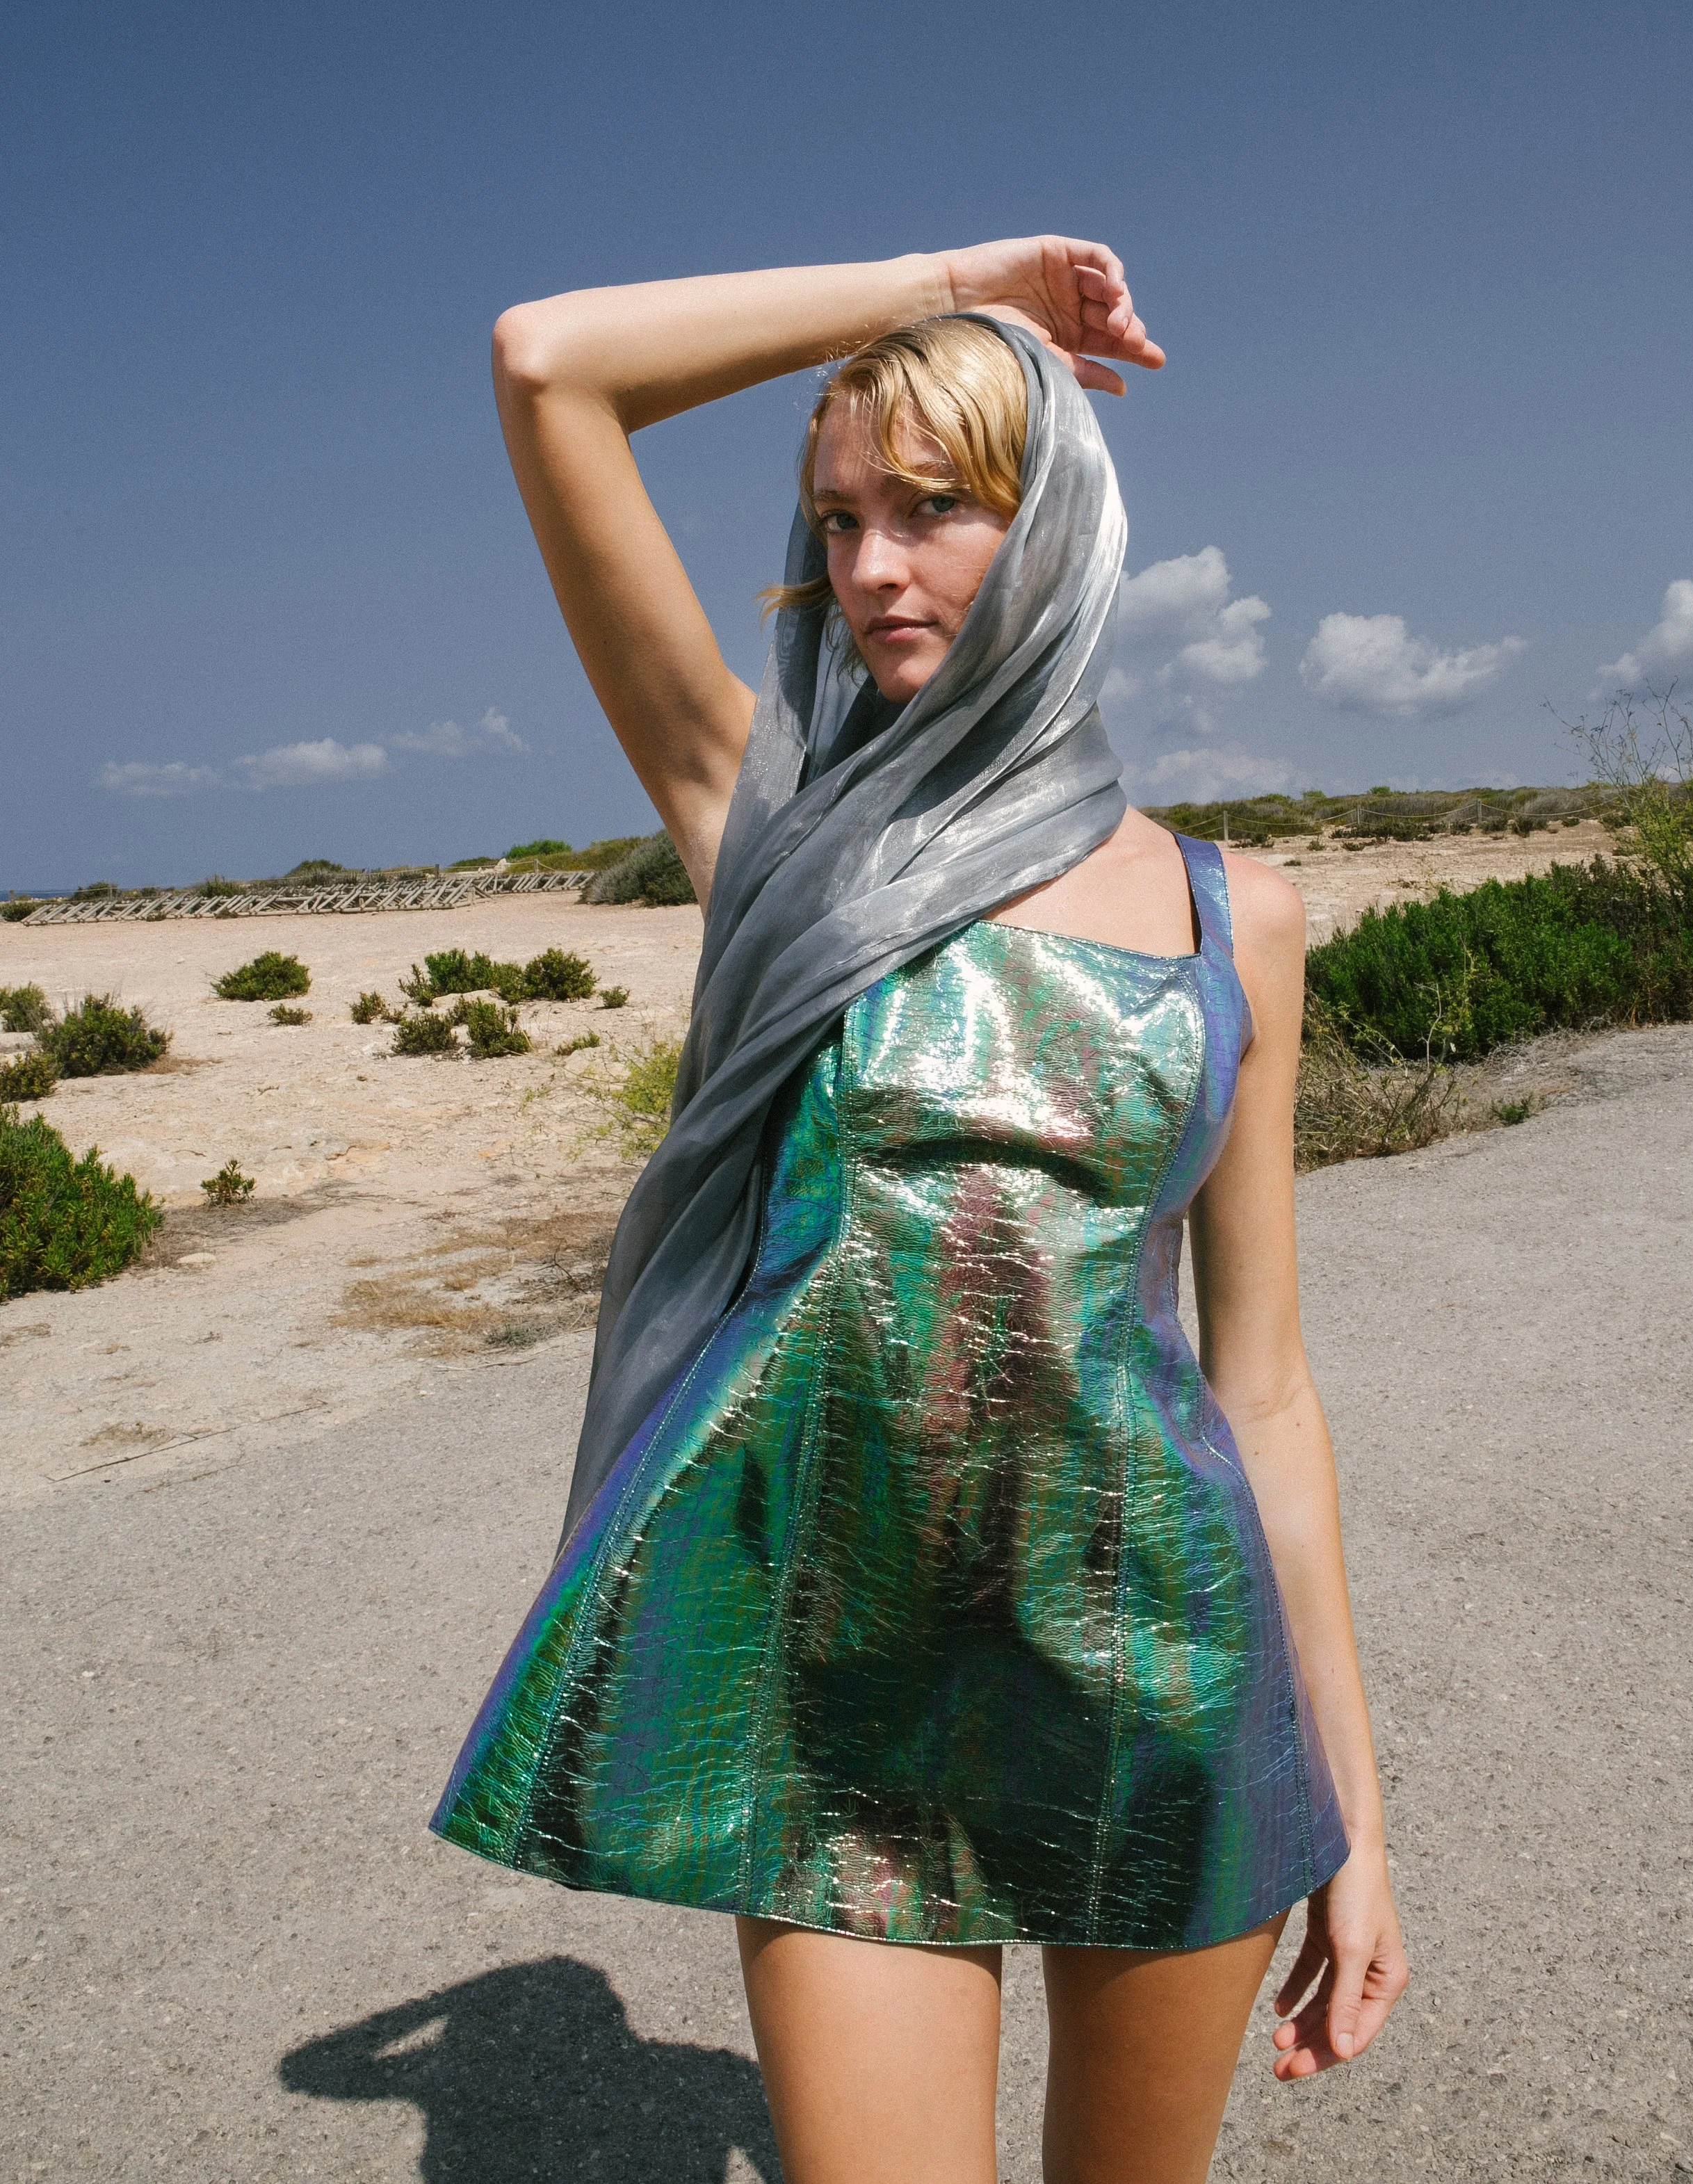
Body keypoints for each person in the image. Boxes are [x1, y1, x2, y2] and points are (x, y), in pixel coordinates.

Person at [433, 238, 1408, 2184]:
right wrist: (958, 282)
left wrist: (1357, 1814)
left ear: (1051, 531)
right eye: (839, 518)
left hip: (1162, 1676)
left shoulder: (1238, 919)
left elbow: (1263, 1390)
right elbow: (549, 365)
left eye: (935, 508)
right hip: (838, 1704)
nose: (873, 567)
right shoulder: (777, 830)